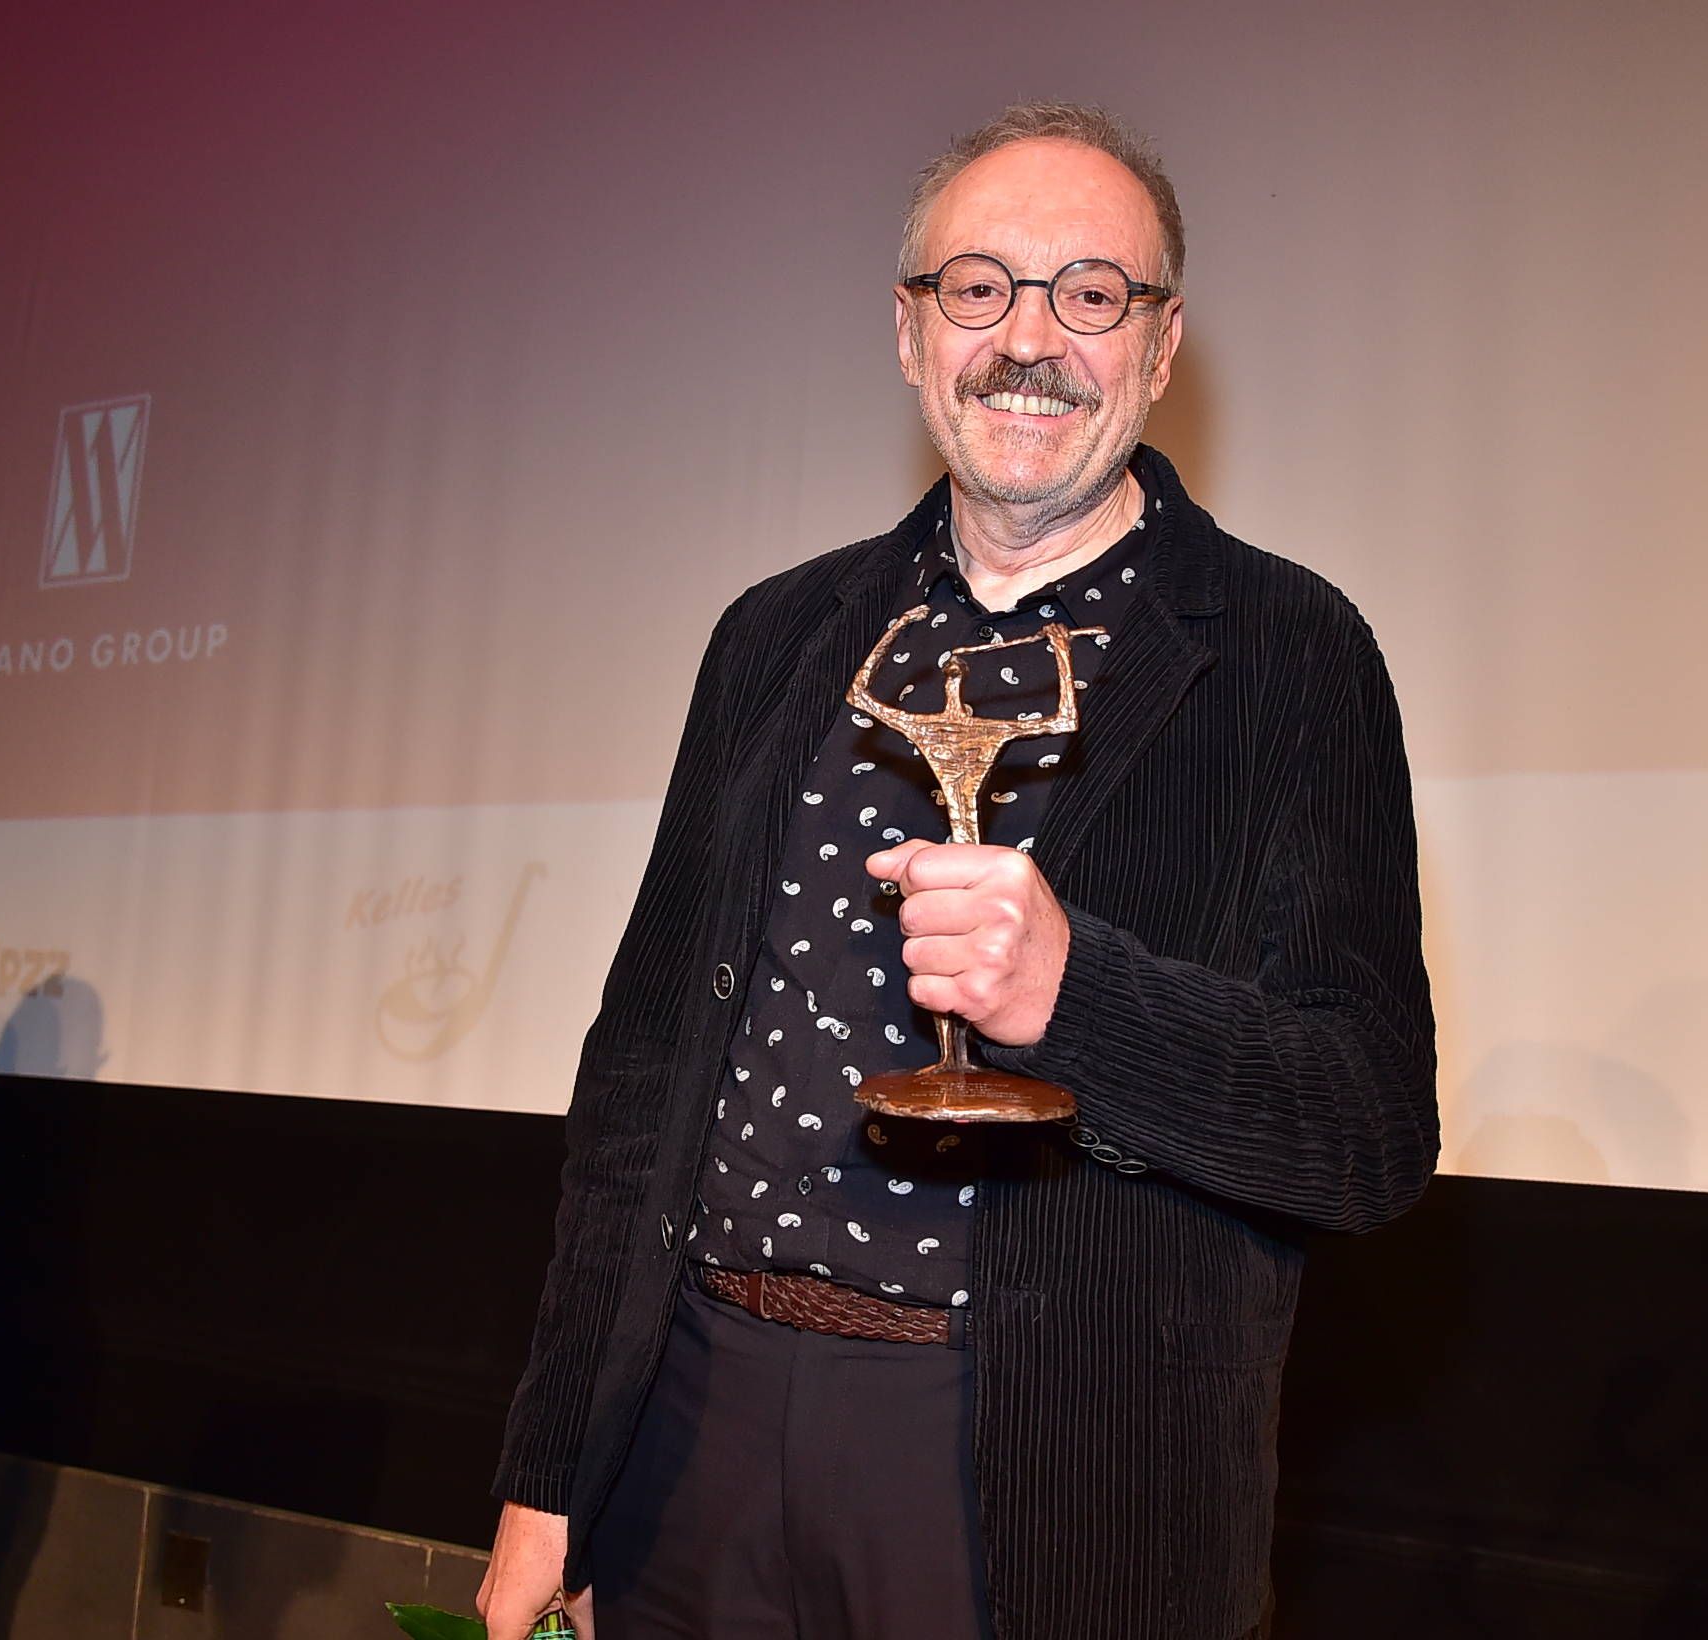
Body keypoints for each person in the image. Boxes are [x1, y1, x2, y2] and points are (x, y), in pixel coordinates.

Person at [479, 102, 1437, 1640]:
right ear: (911, 334)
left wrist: (1083, 1001)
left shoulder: (1291, 656)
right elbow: (645, 1077)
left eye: (1092, 293)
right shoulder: (775, 638)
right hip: (692, 1441)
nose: (1031, 339)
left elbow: (1370, 1132)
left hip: (1037, 1480)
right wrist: (555, 1465)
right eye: (980, 288)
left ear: (1163, 344)